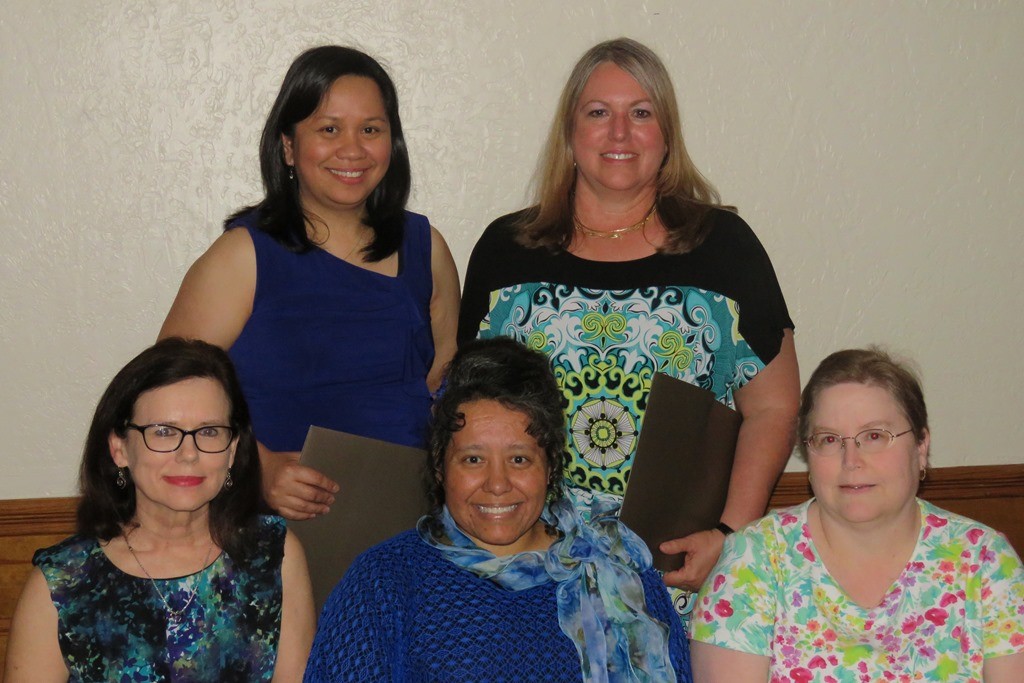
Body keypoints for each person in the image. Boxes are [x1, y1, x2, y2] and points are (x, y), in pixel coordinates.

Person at [458, 37, 799, 597]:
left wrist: (729, 534)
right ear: (570, 134)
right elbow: (468, 412)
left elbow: (774, 406)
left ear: (666, 135)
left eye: (641, 113)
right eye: (598, 113)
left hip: (675, 570)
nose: (620, 133)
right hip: (525, 565)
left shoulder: (725, 248)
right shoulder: (504, 251)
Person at [160, 46, 460, 520]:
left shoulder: (428, 248)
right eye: (328, 129)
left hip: (407, 525)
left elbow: (443, 384)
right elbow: (166, 393)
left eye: (371, 129)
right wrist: (258, 469)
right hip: (272, 529)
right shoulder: (243, 256)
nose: (353, 149)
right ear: (288, 146)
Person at [304, 338, 691, 682]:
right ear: (440, 465)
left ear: (551, 466)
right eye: (473, 460)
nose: (497, 483)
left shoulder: (620, 573)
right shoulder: (385, 583)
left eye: (520, 459)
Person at [691, 348, 1024, 682]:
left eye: (875, 436)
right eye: (829, 439)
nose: (851, 460)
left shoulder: (986, 563)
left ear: (921, 446)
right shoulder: (753, 561)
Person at [4, 338, 316, 682]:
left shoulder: (275, 556)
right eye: (164, 432)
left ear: (232, 450)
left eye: (209, 431)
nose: (188, 453)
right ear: (119, 448)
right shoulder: (63, 583)